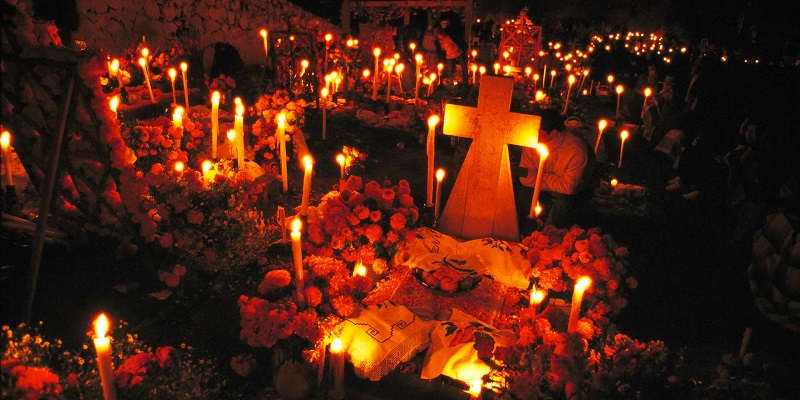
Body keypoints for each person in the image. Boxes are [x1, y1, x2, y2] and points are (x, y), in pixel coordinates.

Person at [515, 109, 595, 229]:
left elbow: (568, 187)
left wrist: (540, 175)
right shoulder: (531, 141)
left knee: (564, 203)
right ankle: (520, 229)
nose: (530, 133)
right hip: (545, 188)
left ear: (553, 134)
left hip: (573, 194)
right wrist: (556, 180)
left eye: (536, 130)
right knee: (524, 194)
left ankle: (549, 234)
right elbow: (525, 177)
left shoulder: (576, 150)